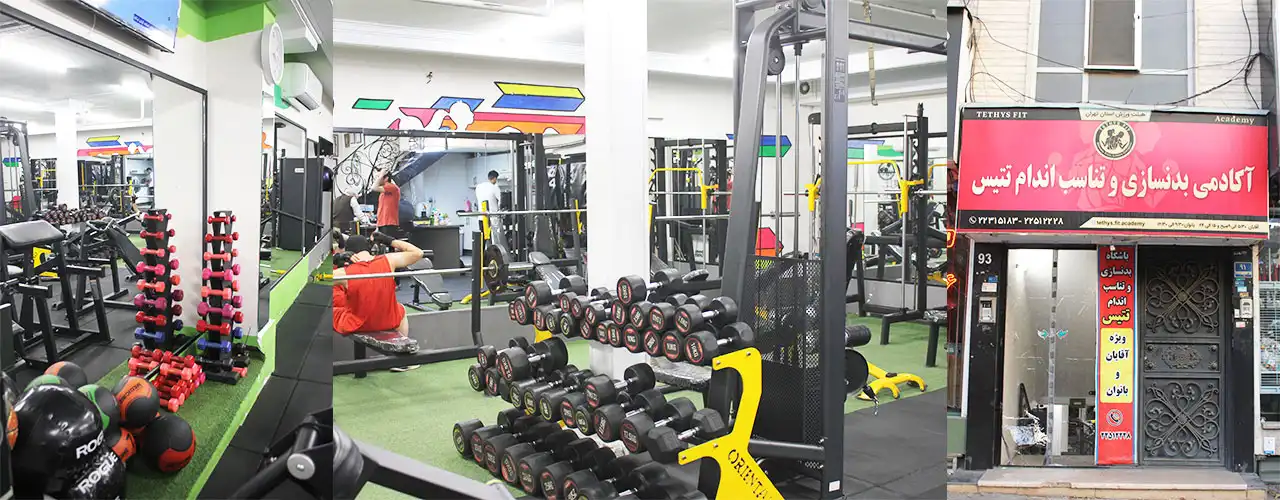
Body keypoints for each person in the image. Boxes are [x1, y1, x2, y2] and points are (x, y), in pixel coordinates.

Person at [333, 231, 424, 371]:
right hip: (387, 321)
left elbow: (316, 278)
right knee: (400, 309)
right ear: (368, 249)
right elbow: (418, 253)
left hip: (357, 324)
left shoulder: (343, 273)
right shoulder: (389, 260)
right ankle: (401, 359)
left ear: (349, 252)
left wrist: (335, 260)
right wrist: (390, 240)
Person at [475, 170, 503, 245]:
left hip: (481, 217)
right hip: (492, 219)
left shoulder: (479, 187)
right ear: (495, 178)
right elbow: (501, 201)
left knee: (483, 240)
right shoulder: (495, 187)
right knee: (494, 240)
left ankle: (482, 252)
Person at [372, 171, 401, 237]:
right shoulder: (383, 192)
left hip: (389, 223)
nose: (377, 180)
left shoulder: (391, 187)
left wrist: (381, 175)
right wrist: (377, 226)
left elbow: (374, 188)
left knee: (388, 242)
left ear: (386, 178)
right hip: (383, 223)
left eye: (378, 177)